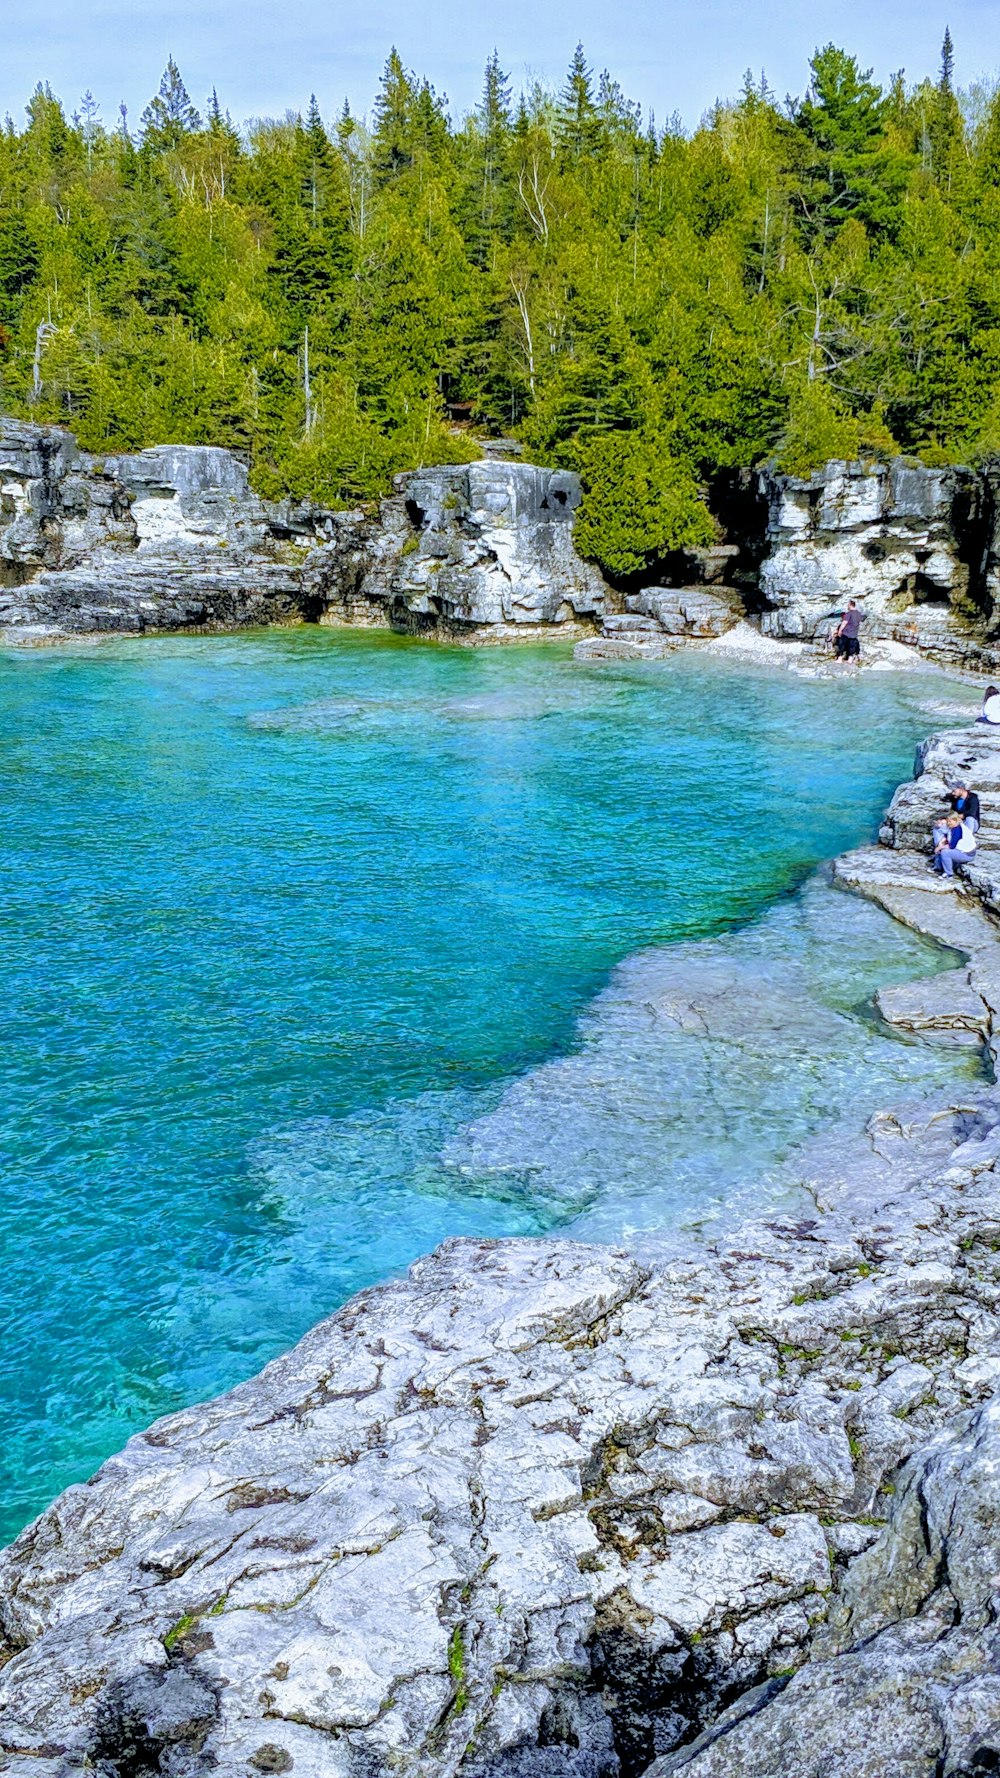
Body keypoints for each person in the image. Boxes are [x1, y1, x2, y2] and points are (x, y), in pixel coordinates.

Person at [933, 809, 978, 879]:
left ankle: (949, 874)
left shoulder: (958, 830)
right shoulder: (955, 827)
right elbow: (948, 836)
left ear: (955, 820)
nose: (948, 823)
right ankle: (939, 867)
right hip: (962, 851)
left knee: (945, 852)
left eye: (949, 821)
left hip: (967, 854)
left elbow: (952, 846)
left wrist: (939, 847)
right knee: (942, 849)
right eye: (947, 821)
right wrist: (942, 842)